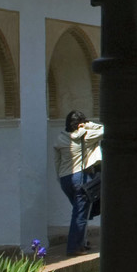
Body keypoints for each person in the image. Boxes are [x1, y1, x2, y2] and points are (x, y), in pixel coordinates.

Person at [60, 109, 103, 256]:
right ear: (80, 125)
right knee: (80, 214)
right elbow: (105, 129)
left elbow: (56, 162)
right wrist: (89, 125)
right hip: (80, 178)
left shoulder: (60, 139)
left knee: (79, 211)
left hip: (64, 178)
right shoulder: (87, 136)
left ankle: (81, 242)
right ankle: (74, 247)